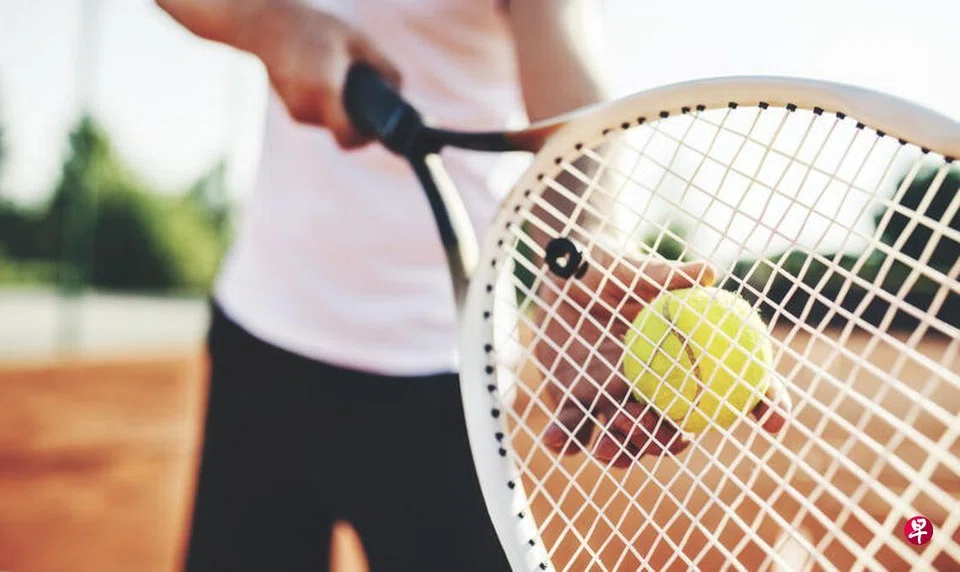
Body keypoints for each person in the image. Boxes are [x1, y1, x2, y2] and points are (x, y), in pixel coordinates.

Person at [156, 1, 790, 570]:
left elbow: (566, 74)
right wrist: (267, 21)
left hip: (445, 376)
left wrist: (581, 245)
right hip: (261, 339)